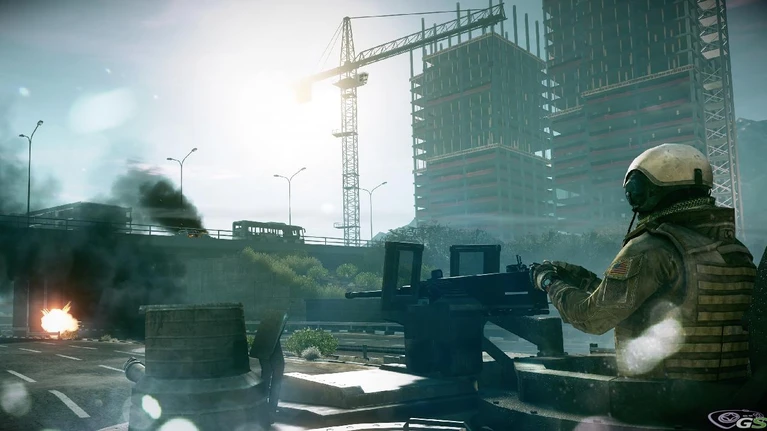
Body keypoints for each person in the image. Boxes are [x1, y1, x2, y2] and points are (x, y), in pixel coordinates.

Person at [531, 143, 757, 387]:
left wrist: (549, 282)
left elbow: (592, 317)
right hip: (732, 395)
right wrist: (582, 279)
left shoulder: (651, 247)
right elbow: (644, 303)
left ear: (645, 192)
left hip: (662, 397)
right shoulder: (736, 250)